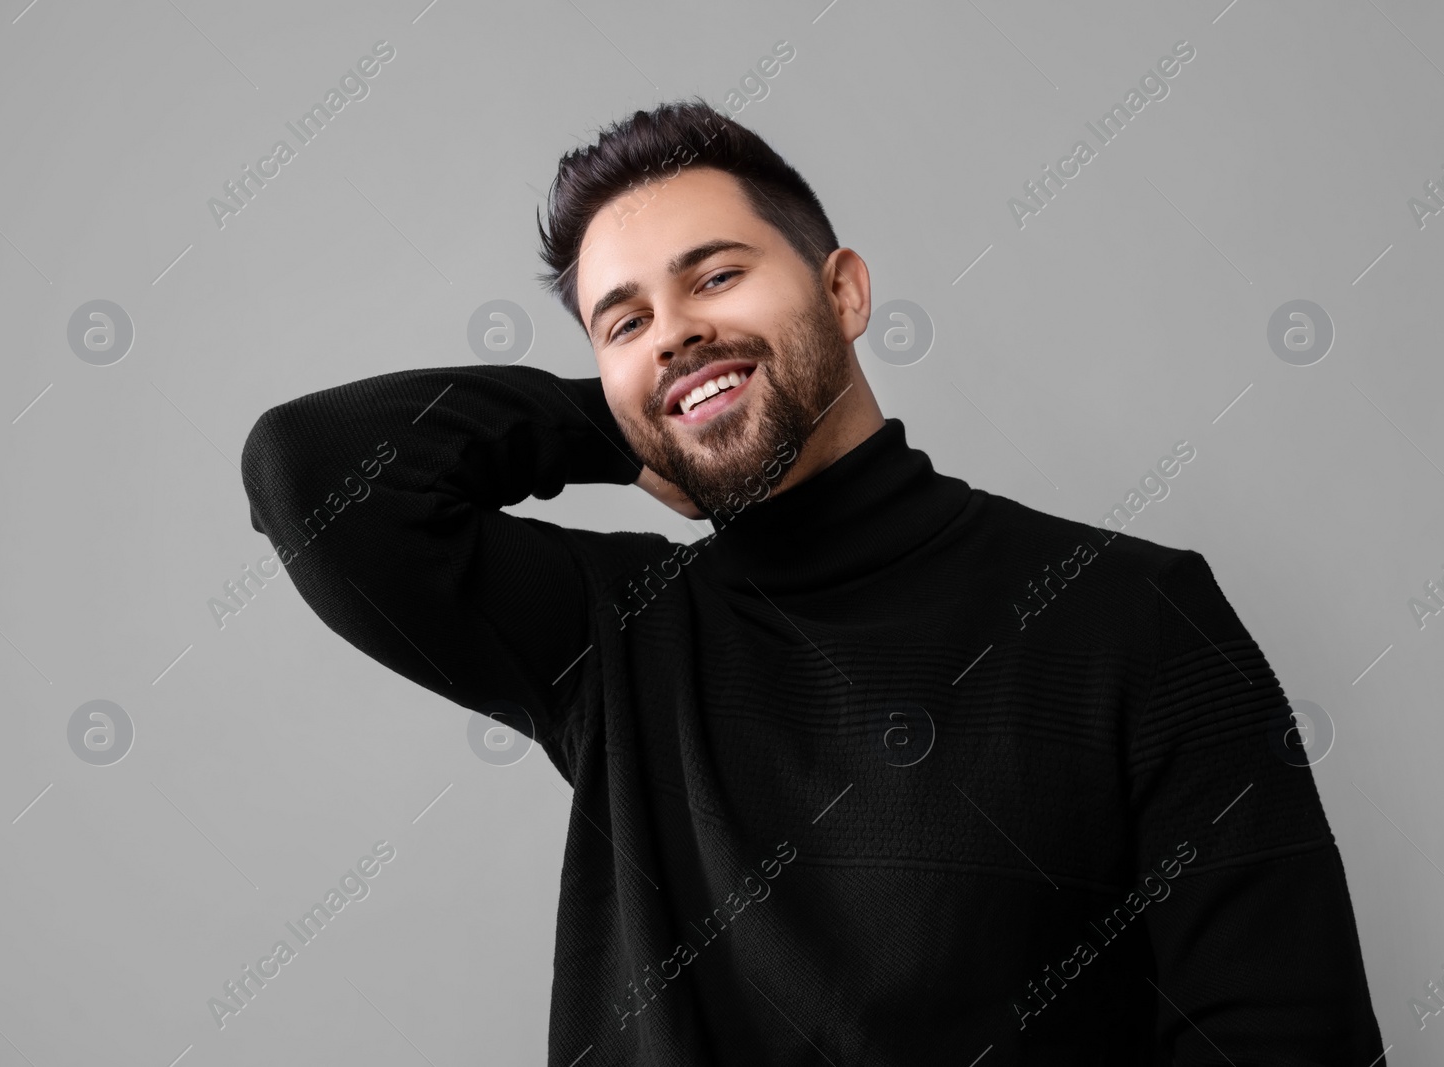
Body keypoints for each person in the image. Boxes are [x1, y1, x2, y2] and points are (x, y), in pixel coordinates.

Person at [240, 99, 1386, 1064]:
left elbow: (1284, 1036)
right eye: (622, 320)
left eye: (716, 277)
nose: (673, 329)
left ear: (842, 291)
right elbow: (314, 475)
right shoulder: (614, 639)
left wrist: (687, 371)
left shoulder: (1134, 614)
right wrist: (646, 409)